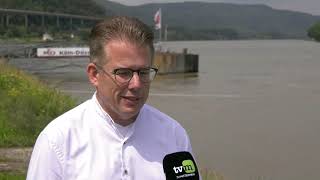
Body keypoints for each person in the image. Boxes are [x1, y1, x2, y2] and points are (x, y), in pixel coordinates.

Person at [27, 16, 195, 180]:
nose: (136, 84)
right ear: (94, 75)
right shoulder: (58, 140)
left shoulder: (173, 135)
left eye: (143, 72)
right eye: (123, 73)